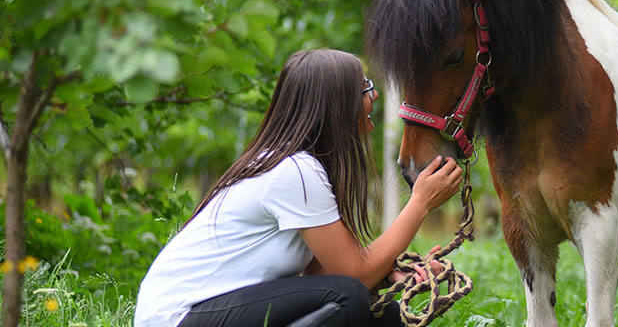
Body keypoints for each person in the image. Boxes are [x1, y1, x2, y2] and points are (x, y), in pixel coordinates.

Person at [134, 49, 462, 326]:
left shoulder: (298, 166)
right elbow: (351, 277)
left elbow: (327, 272)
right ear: (336, 102)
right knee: (348, 298)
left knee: (383, 314)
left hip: (206, 313)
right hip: (177, 317)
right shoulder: (295, 171)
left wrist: (392, 272)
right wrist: (420, 204)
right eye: (365, 86)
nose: (374, 94)